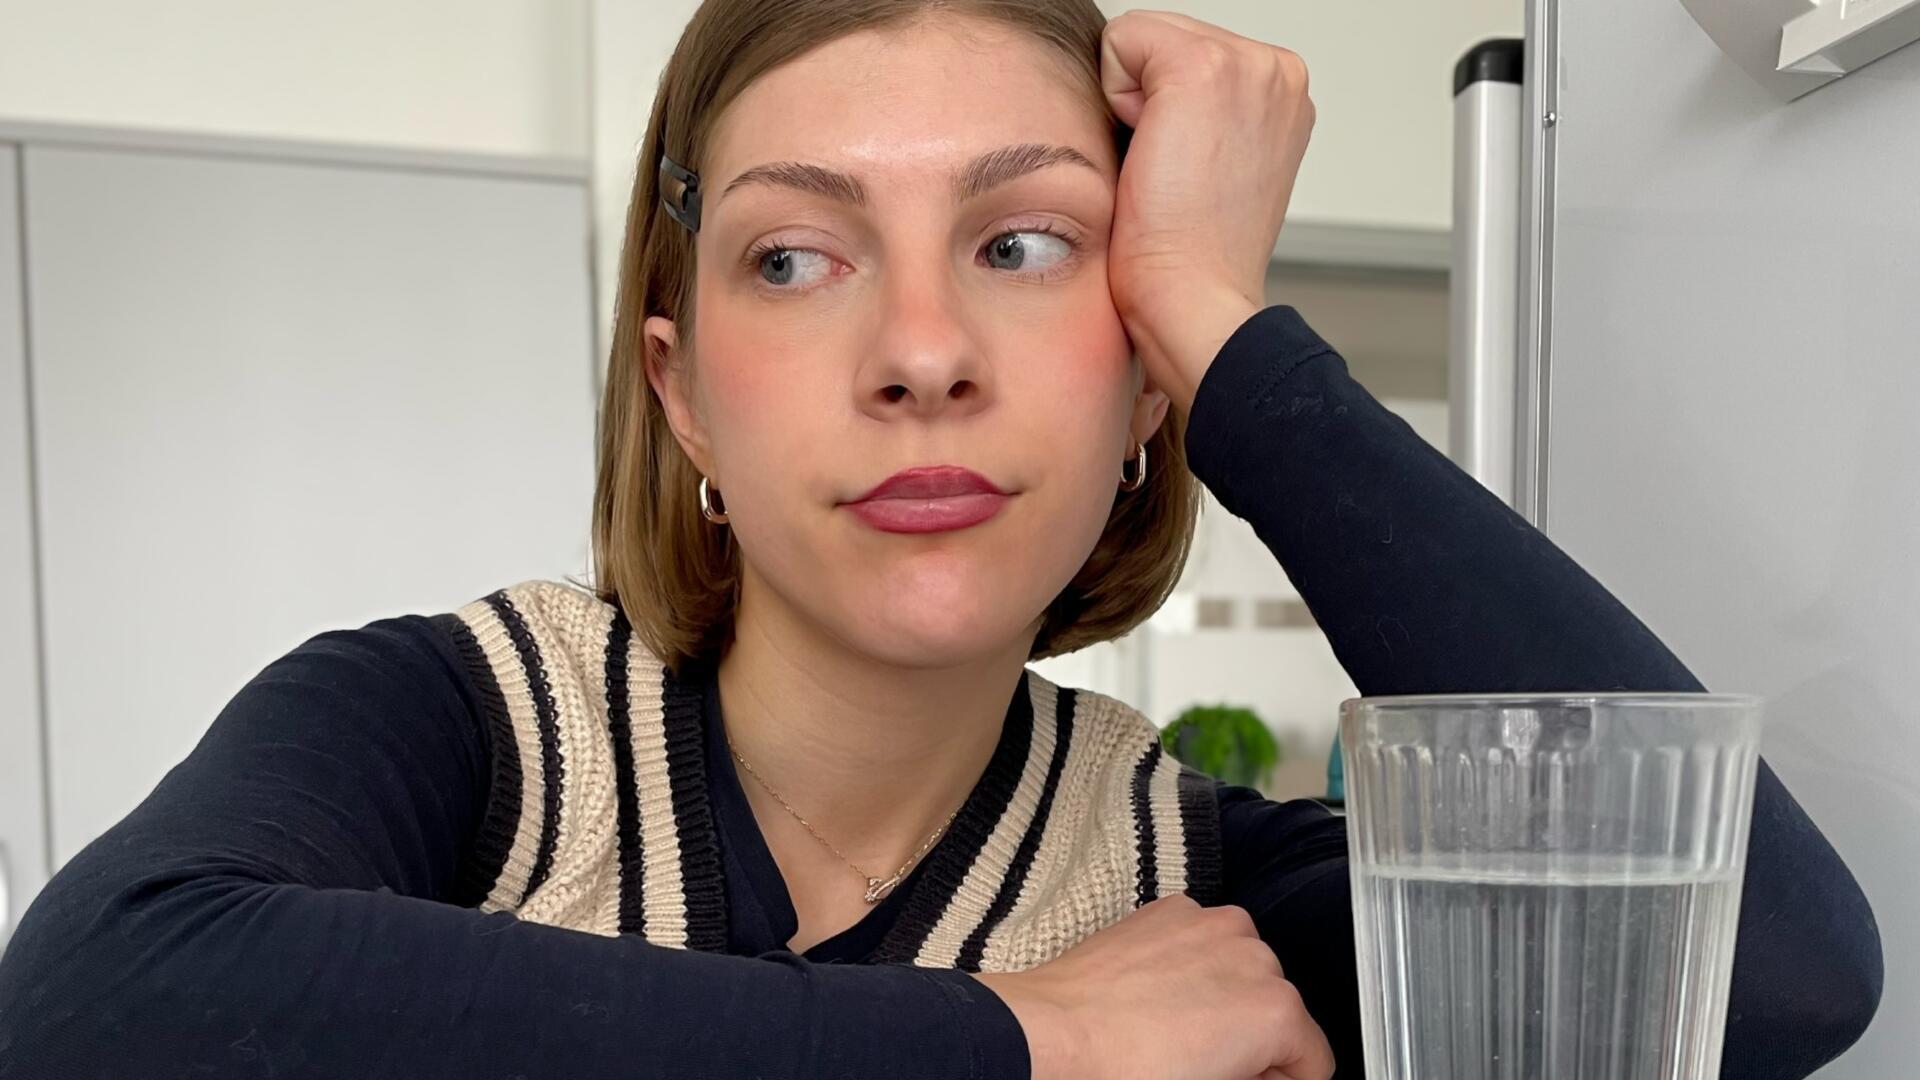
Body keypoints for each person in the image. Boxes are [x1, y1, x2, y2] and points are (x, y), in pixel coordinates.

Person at [0, 3, 1882, 1078]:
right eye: (796, 259)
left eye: (1030, 244)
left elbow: (1777, 971)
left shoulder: (1194, 892)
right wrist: (1019, 1041)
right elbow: (100, 1001)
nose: (918, 353)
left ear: (1138, 371)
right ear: (682, 395)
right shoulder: (459, 732)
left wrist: (1227, 330)